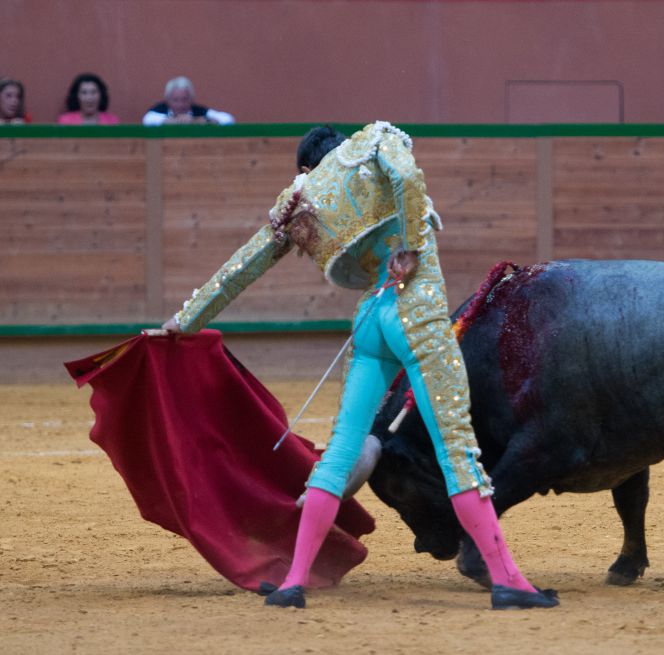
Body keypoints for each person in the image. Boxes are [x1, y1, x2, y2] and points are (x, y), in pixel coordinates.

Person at [161, 122, 558, 611]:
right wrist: (410, 246)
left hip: (371, 318)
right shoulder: (374, 140)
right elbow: (407, 177)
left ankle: (294, 582)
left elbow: (247, 263)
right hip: (416, 313)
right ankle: (508, 581)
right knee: (457, 448)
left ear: (307, 167)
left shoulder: (299, 196)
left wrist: (185, 319)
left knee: (340, 453)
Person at [142, 76, 235, 125]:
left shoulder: (199, 110)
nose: (180, 104)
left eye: (185, 99)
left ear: (191, 99)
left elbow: (228, 119)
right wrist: (175, 122)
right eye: (176, 100)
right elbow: (148, 120)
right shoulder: (160, 109)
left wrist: (197, 120)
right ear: (168, 99)